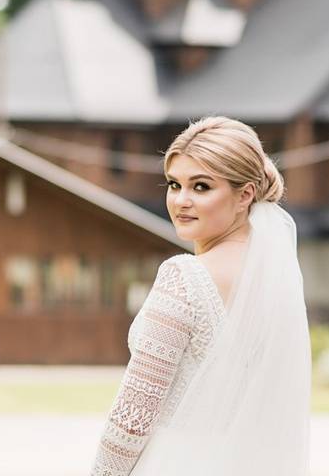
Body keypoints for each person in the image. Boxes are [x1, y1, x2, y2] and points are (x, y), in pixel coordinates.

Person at [89, 116, 312, 476]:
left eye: (202, 187)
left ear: (245, 195)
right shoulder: (278, 280)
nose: (181, 201)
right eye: (174, 184)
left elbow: (134, 413)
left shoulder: (185, 277)